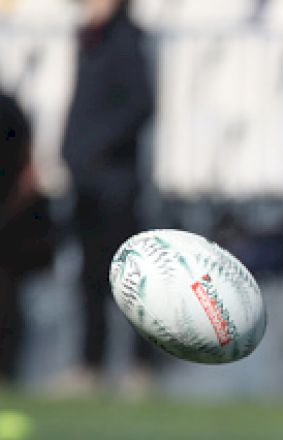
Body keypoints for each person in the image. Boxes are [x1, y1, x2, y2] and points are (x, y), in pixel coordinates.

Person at [56, 0, 155, 396]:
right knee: (90, 280)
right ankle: (89, 365)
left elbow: (140, 105)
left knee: (130, 281)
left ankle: (139, 366)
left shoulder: (126, 41)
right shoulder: (89, 41)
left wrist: (96, 149)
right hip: (87, 181)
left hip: (115, 182)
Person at [0, 91, 55, 386]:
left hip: (9, 224)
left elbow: (28, 172)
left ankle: (7, 373)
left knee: (7, 300)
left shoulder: (8, 107)